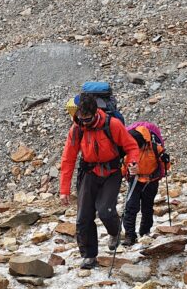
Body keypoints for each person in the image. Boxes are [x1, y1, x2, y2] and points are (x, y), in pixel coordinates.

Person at [60, 93, 139, 269]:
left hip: (111, 172)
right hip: (88, 173)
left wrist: (133, 163)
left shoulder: (112, 125)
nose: (84, 123)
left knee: (105, 210)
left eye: (87, 119)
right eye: (81, 119)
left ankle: (115, 231)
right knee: (83, 218)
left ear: (96, 112)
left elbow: (131, 147)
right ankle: (89, 256)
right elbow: (68, 159)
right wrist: (64, 190)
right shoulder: (76, 129)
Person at [121, 121, 168, 245]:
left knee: (147, 208)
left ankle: (144, 232)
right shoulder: (129, 150)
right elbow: (123, 167)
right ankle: (130, 236)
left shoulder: (154, 148)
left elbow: (165, 166)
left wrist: (165, 160)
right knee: (131, 208)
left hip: (151, 182)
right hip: (135, 181)